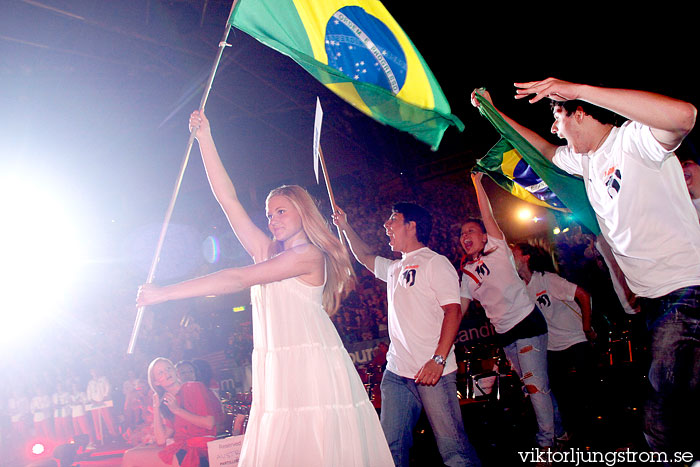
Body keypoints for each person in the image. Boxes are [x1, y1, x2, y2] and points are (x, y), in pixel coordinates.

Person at [136, 111, 392, 466]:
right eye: (270, 213)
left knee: (318, 448)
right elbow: (228, 200)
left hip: (310, 363)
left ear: (302, 212)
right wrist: (205, 139)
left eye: (281, 211)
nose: (272, 219)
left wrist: (164, 293)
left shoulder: (309, 255)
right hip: (277, 367)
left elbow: (237, 279)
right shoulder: (266, 251)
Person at [472, 79, 699, 459]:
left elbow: (685, 115)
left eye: (557, 118)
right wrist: (495, 116)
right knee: (684, 407)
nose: (554, 128)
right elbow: (541, 151)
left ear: (579, 112)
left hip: (687, 293)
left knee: (662, 424)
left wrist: (578, 89)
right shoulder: (585, 161)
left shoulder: (635, 141)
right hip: (656, 303)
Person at [333, 203, 481, 467]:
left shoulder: (435, 263)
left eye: (393, 219)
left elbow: (453, 312)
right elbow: (365, 256)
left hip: (432, 373)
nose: (386, 225)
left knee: (453, 450)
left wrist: (437, 360)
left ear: (412, 226)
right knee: (390, 448)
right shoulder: (394, 268)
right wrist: (345, 226)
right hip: (397, 373)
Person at [460, 173, 557, 451]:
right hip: (505, 336)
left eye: (470, 231)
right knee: (533, 388)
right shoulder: (466, 273)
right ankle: (560, 432)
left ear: (483, 234)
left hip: (528, 324)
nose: (465, 236)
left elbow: (487, 214)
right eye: (462, 234)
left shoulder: (497, 247)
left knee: (536, 388)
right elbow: (459, 309)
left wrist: (478, 184)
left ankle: (547, 446)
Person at [511, 242, 596, 443]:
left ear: (526, 257)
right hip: (552, 347)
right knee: (562, 395)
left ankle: (596, 436)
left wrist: (586, 327)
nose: (508, 256)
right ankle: (573, 437)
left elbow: (583, 295)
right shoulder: (521, 289)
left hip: (576, 340)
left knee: (586, 393)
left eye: (513, 252)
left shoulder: (547, 280)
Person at [122, 358, 219, 467]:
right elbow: (161, 439)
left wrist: (177, 410)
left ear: (175, 371)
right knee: (133, 454)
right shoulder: (169, 401)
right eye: (161, 372)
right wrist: (156, 408)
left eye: (168, 368)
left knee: (131, 456)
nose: (166, 373)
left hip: (199, 451)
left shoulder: (193, 387)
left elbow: (209, 423)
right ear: (156, 382)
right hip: (181, 449)